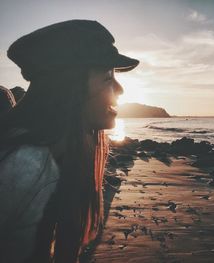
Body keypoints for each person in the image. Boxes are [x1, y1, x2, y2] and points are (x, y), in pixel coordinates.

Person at [0, 20, 139, 263]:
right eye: (108, 77)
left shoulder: (62, 152)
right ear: (71, 88)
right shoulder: (24, 166)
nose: (120, 89)